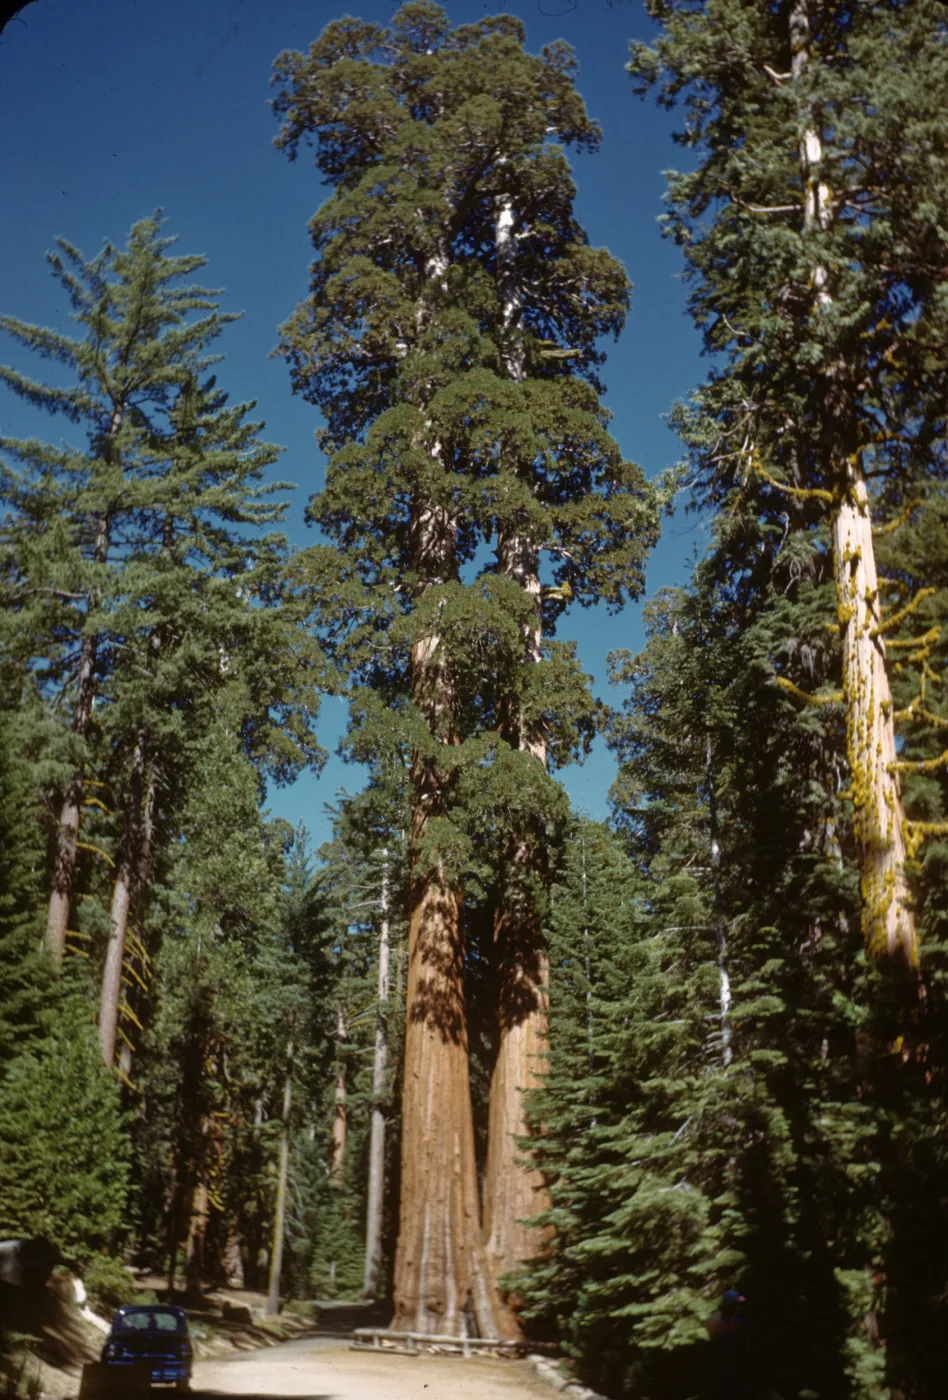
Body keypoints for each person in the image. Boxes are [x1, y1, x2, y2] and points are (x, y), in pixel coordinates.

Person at [706, 1289, 751, 1399]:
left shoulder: (737, 1318)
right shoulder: (716, 1319)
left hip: (737, 1356)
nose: (739, 1307)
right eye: (736, 1305)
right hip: (725, 1358)